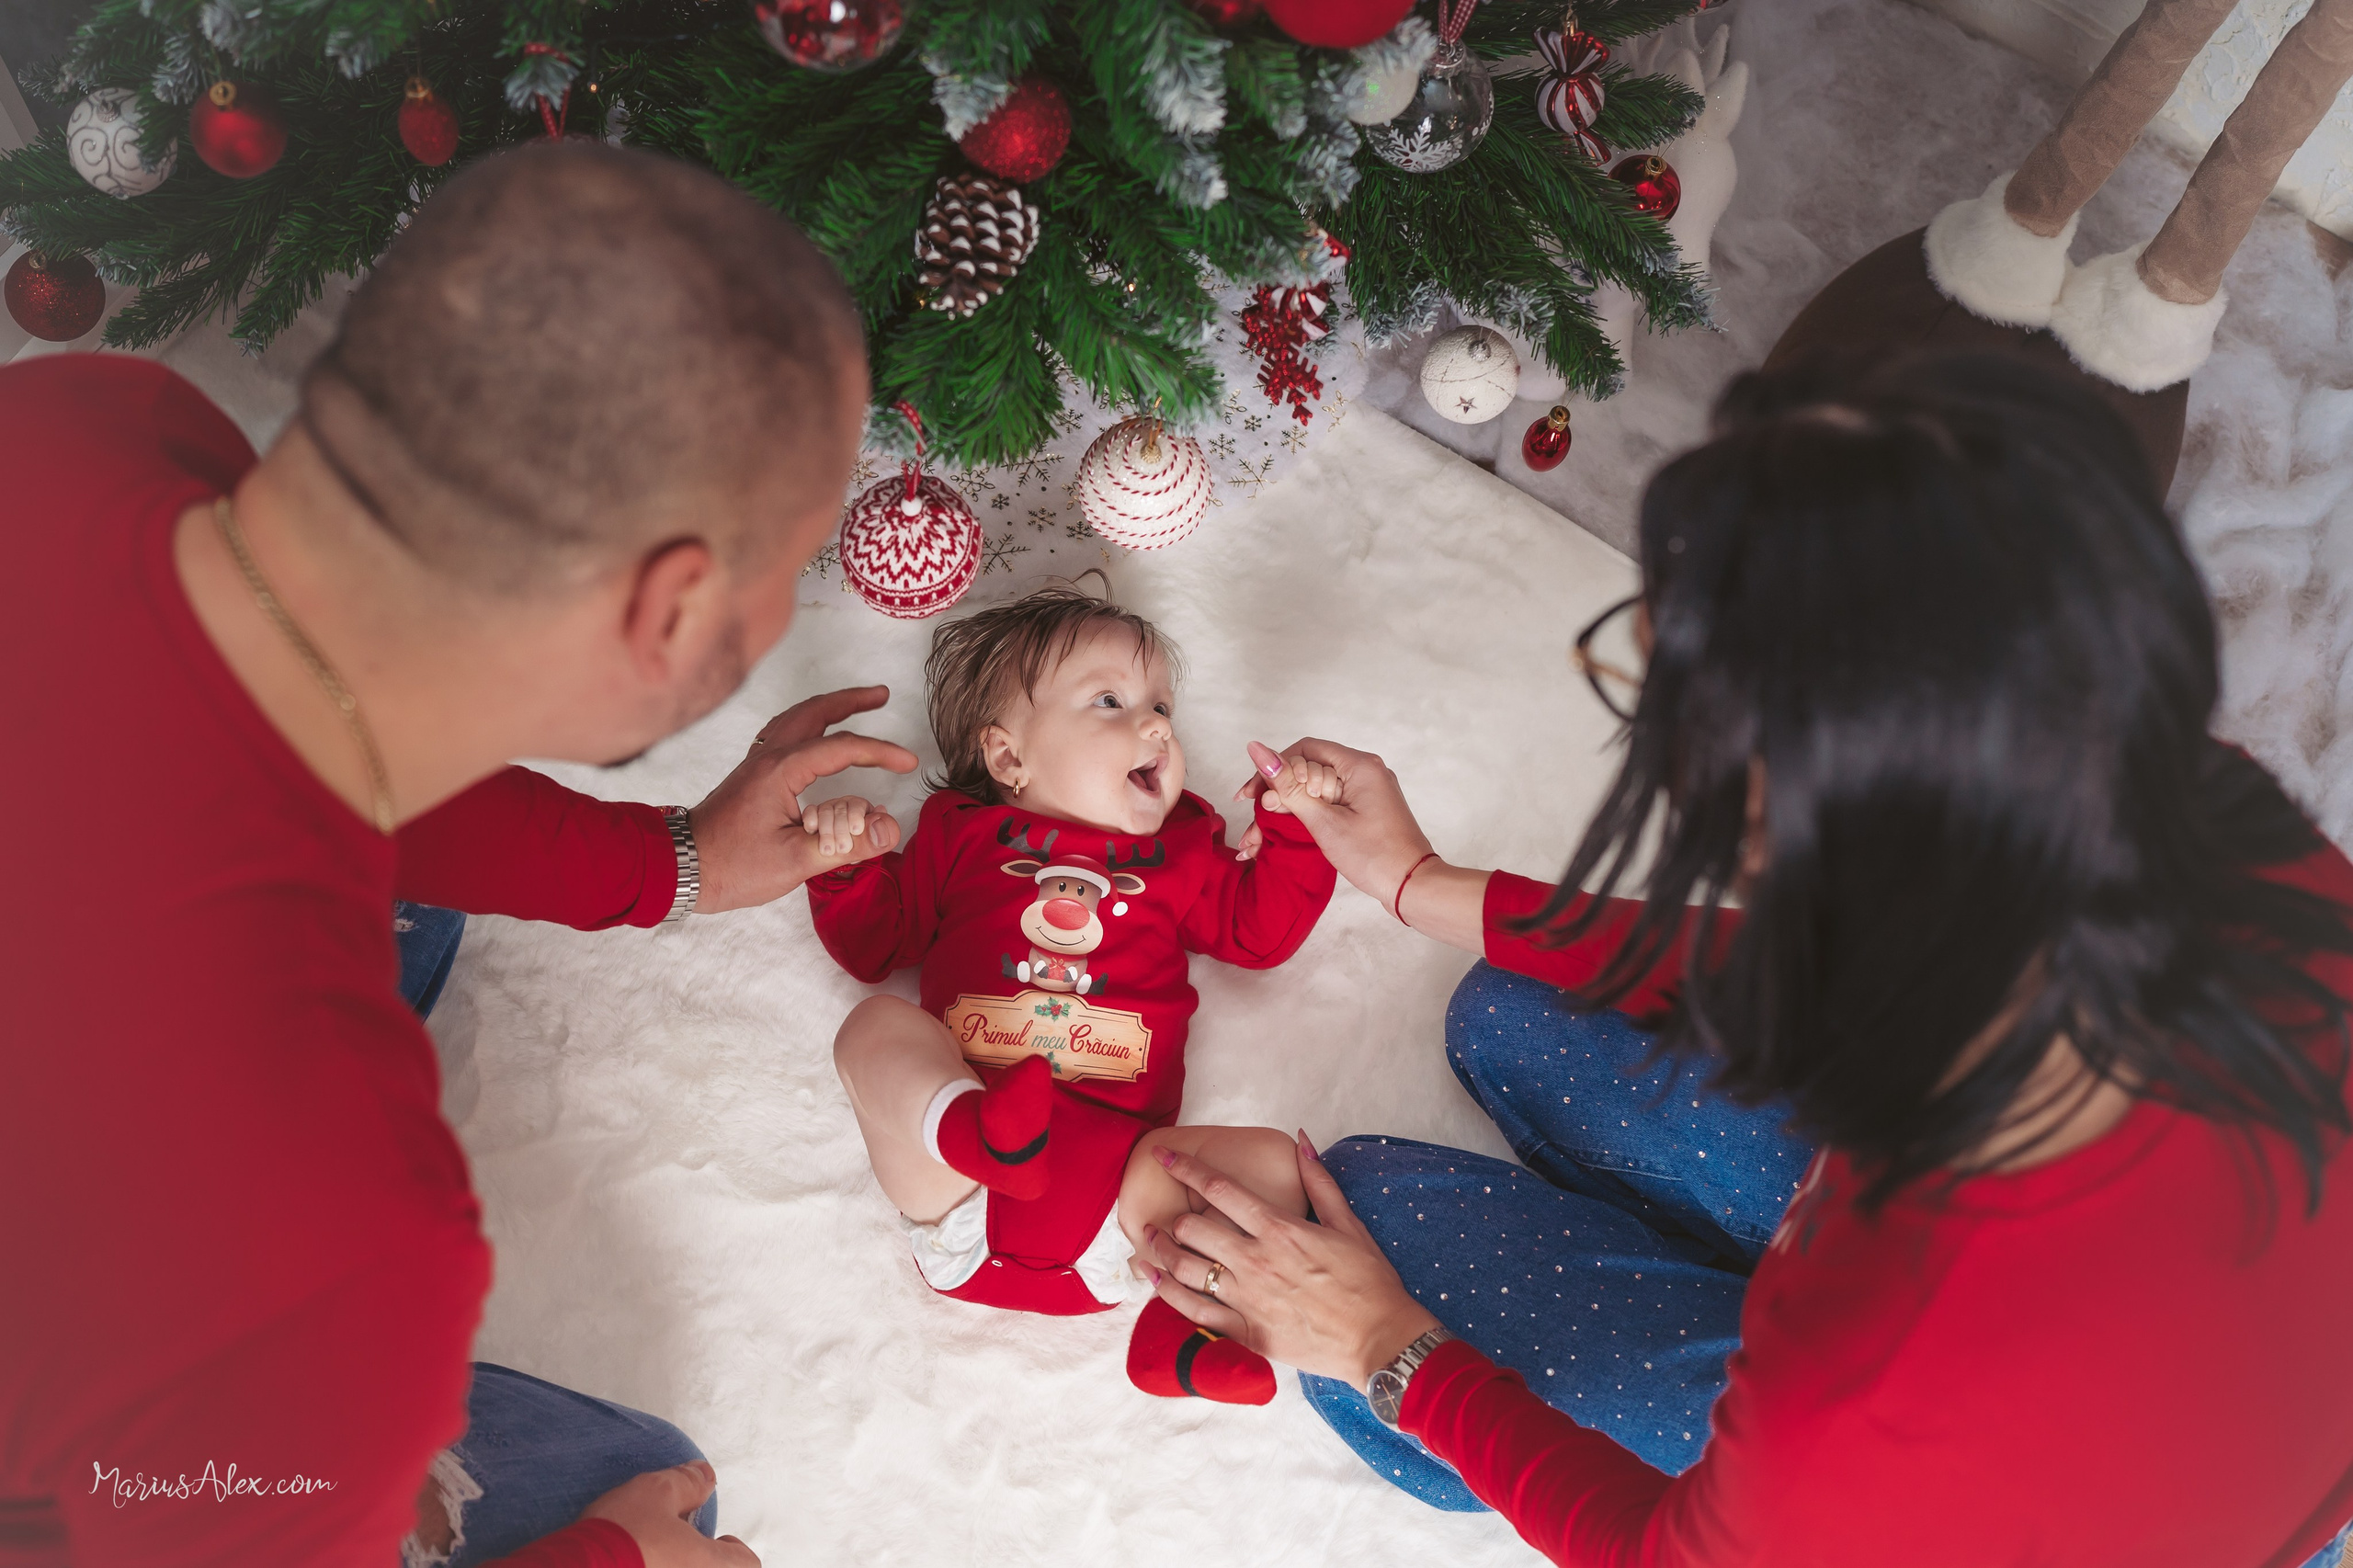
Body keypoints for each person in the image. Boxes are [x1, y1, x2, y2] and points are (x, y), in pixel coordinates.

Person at [1134, 354, 2353, 1567]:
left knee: (1358, 1233)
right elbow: (1807, 957)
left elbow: (1669, 1554)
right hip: (2167, 1317)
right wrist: (1427, 888)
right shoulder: (2188, 816)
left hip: (2048, 1498)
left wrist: (1379, 1345)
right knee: (1508, 1005)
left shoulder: (1872, 1385)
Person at [1, 141, 916, 1566]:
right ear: (670, 615)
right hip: (110, 1446)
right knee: (649, 1482)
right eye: (776, 579)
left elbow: (299, 714)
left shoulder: (86, 423)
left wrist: (670, 862)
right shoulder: (351, 1249)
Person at [802, 584, 1338, 1405]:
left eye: (1162, 704)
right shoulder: (958, 835)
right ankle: (965, 1124)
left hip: (1124, 1215)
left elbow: (1257, 935)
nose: (1157, 724)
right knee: (871, 1030)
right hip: (959, 1188)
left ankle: (1179, 1326)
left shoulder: (1185, 850)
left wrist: (1296, 828)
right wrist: (844, 866)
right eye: (1112, 702)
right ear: (1009, 758)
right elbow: (877, 947)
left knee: (1276, 1163)